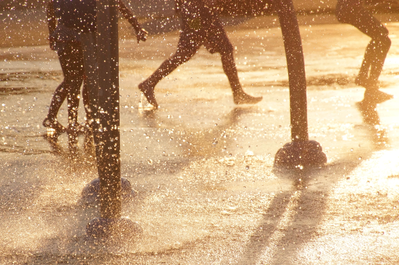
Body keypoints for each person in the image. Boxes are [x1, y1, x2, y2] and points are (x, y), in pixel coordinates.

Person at [43, 0, 148, 137]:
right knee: (82, 79)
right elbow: (118, 4)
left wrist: (52, 32)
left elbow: (50, 6)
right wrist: (136, 27)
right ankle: (80, 122)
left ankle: (66, 120)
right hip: (82, 37)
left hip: (65, 36)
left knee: (73, 80)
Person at [138, 0, 263, 109]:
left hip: (196, 11)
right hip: (200, 12)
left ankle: (149, 83)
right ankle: (237, 93)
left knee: (186, 53)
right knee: (223, 49)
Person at [336, 0, 393, 104]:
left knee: (380, 37)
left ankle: (365, 78)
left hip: (348, 8)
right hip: (350, 9)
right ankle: (370, 84)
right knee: (383, 39)